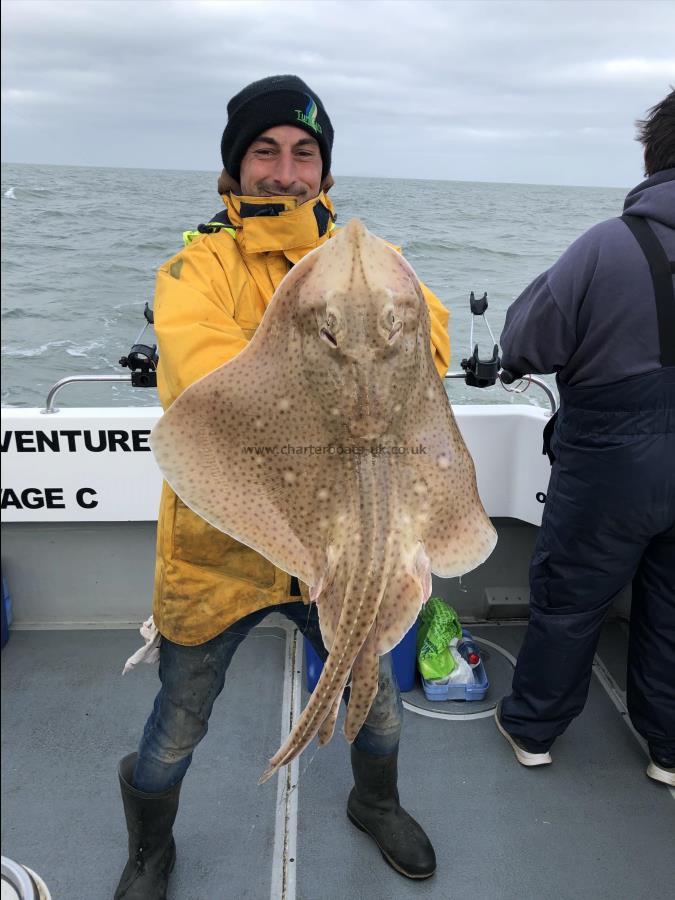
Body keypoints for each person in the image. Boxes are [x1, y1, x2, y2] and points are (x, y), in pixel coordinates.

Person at [114, 75, 451, 899]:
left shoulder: (376, 264)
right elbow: (204, 380)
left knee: (372, 698)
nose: (285, 171)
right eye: (264, 151)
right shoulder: (197, 266)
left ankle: (375, 802)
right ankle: (151, 846)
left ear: (325, 173)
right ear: (234, 169)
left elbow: (431, 352)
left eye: (305, 154)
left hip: (347, 545)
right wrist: (346, 374)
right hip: (223, 542)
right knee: (179, 722)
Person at [495, 90, 675, 787]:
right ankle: (665, 749)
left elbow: (525, 340)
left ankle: (534, 730)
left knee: (569, 599)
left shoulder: (607, 244)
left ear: (648, 155)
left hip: (611, 464)